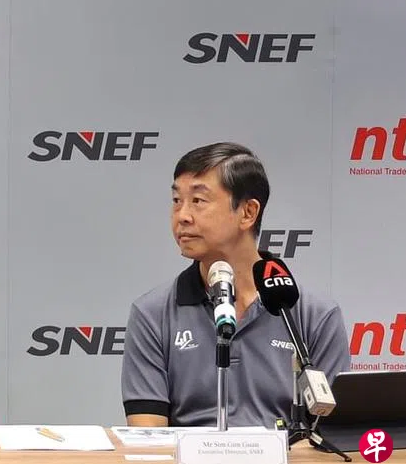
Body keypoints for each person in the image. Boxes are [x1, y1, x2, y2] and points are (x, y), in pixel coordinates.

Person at [121, 142, 349, 428]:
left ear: (248, 213)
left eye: (198, 201)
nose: (182, 216)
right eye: (177, 200)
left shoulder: (314, 313)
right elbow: (147, 437)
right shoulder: (152, 313)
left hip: (288, 458)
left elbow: (332, 436)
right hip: (186, 459)